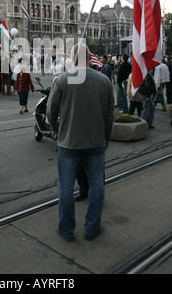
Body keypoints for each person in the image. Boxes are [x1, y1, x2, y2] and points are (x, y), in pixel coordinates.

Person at [47, 43, 114, 242]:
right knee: (97, 185)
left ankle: (66, 229)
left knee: (66, 188)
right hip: (96, 142)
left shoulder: (63, 79)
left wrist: (54, 127)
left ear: (72, 58)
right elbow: (110, 113)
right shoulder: (104, 81)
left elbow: (51, 110)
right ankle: (92, 228)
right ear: (90, 57)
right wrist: (107, 136)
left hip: (69, 143)